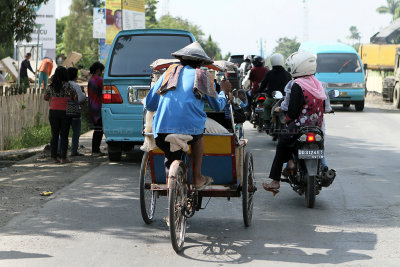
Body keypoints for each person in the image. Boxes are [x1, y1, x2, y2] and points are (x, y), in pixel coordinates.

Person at [145, 42, 227, 190]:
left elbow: (150, 105)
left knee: (169, 162)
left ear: (180, 59)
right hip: (191, 131)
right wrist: (223, 92)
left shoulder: (168, 73)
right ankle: (197, 178)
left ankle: (173, 196)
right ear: (201, 63)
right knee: (198, 136)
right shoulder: (203, 76)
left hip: (162, 132)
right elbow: (217, 106)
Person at [263, 51, 327, 191]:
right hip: (316, 127)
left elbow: (292, 112)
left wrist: (286, 117)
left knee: (282, 143)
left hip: (299, 127)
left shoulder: (296, 85)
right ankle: (298, 163)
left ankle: (276, 179)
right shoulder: (318, 84)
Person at [44, 66, 77, 164]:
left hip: (53, 112)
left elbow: (46, 98)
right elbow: (74, 97)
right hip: (66, 112)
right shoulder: (69, 86)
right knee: (64, 135)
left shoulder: (51, 86)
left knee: (54, 135)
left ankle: (54, 158)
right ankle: (63, 158)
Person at [258, 53, 292, 130]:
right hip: (284, 98)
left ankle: (267, 123)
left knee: (266, 105)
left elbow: (263, 84)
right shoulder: (287, 74)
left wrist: (260, 90)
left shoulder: (269, 73)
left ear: (272, 62)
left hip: (271, 98)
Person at [68, 67, 87, 156]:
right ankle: (74, 151)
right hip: (74, 111)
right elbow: (81, 99)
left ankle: (60, 150)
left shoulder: (64, 85)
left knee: (63, 132)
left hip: (64, 111)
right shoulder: (75, 86)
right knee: (76, 132)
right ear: (75, 76)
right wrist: (83, 92)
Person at [88, 62, 105, 156]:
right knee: (99, 130)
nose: (102, 72)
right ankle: (95, 150)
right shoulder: (99, 80)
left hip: (92, 106)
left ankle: (95, 150)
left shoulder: (91, 80)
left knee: (97, 129)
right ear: (98, 70)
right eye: (101, 71)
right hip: (98, 107)